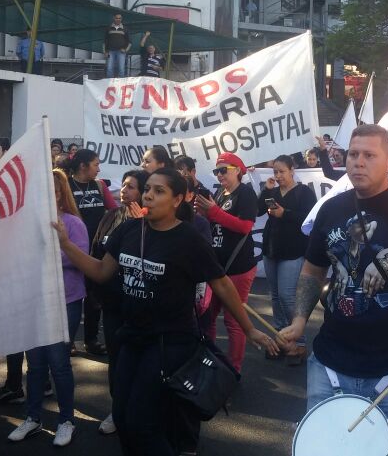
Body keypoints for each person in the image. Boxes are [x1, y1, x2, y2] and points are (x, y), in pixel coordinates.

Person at [53, 169, 279, 455]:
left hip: (169, 344)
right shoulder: (129, 230)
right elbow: (100, 271)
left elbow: (221, 284)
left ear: (177, 200)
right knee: (122, 417)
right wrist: (65, 244)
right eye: (148, 188)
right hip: (131, 338)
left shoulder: (188, 238)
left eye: (159, 191)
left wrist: (250, 329)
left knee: (142, 424)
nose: (149, 194)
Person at [279, 124, 388, 443]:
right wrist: (298, 321)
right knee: (324, 447)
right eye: (353, 154)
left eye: (369, 155)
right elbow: (312, 270)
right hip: (330, 362)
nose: (358, 162)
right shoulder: (331, 209)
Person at [8, 169, 87, 447]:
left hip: (65, 301)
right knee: (36, 364)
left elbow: (82, 259)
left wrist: (58, 245)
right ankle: (33, 417)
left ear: (58, 193)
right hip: (35, 301)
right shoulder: (28, 223)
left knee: (59, 364)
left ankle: (66, 421)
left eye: (49, 191)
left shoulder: (73, 223)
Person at [89, 170, 149, 435]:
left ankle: (142, 411)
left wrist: (142, 226)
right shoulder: (110, 216)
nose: (124, 191)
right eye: (123, 186)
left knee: (140, 361)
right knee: (116, 360)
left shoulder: (152, 222)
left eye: (132, 187)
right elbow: (96, 254)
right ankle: (117, 410)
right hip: (113, 304)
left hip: (141, 306)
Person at [194, 152, 259, 372]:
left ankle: (234, 369)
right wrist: (204, 214)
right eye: (216, 171)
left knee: (233, 321)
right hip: (217, 266)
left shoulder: (246, 193)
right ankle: (210, 359)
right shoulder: (220, 193)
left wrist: (213, 211)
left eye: (224, 170)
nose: (219, 175)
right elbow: (215, 224)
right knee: (208, 316)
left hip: (238, 266)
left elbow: (245, 227)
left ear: (238, 170)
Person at [257, 155, 318, 365]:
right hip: (271, 249)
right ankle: (281, 338)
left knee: (287, 295)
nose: (278, 176)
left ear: (292, 170)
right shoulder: (272, 191)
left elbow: (309, 219)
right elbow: (256, 211)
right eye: (275, 172)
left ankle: (298, 342)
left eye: (282, 171)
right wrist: (265, 190)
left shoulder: (304, 192)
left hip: (292, 250)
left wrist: (285, 213)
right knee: (275, 296)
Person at [67, 149, 117, 356]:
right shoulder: (65, 185)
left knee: (94, 300)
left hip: (96, 252)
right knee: (71, 299)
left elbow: (114, 211)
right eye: (95, 164)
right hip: (72, 252)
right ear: (82, 166)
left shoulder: (100, 185)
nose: (99, 169)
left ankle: (91, 339)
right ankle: (67, 341)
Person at [104, 13, 131, 79]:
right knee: (109, 68)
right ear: (114, 18)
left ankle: (120, 85)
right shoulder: (109, 28)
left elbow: (130, 42)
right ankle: (109, 84)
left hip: (121, 52)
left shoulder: (125, 28)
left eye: (119, 18)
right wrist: (105, 52)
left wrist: (125, 50)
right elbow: (105, 41)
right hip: (110, 51)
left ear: (121, 19)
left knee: (121, 69)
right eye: (117, 18)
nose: (118, 19)